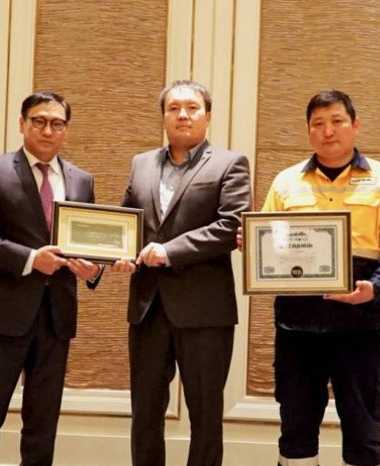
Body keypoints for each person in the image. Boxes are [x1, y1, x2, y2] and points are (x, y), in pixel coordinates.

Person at [242, 89, 380, 466]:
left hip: (361, 327)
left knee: (363, 432)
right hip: (298, 328)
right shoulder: (286, 182)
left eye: (337, 121)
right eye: (318, 123)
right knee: (296, 432)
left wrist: (375, 288)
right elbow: (269, 248)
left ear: (356, 125)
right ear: (308, 130)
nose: (328, 131)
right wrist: (254, 246)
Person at [112, 80, 251, 466]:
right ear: (163, 117)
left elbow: (230, 227)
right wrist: (119, 254)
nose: (183, 115)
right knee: (144, 414)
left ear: (208, 116)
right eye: (173, 108)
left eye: (192, 107)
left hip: (205, 311)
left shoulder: (230, 163)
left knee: (205, 415)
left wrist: (168, 252)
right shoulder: (141, 163)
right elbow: (127, 223)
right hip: (147, 308)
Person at [0, 91, 102, 465]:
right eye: (39, 121)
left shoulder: (82, 180)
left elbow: (89, 243)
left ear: (66, 130)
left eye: (57, 123)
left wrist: (94, 269)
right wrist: (30, 259)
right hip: (3, 315)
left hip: (57, 318)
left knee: (42, 427)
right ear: (22, 124)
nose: (47, 130)